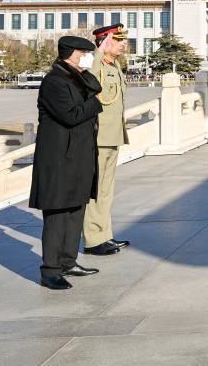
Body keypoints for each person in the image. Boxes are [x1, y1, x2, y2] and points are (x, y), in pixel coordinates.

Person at [29, 35, 104, 290]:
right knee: (58, 213)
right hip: (59, 158)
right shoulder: (54, 82)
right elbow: (71, 115)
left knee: (75, 209)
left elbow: (95, 86)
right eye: (85, 53)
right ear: (72, 53)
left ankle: (68, 261)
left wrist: (88, 85)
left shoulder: (75, 77)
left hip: (79, 155)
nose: (89, 57)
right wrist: (94, 104)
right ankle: (50, 269)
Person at [83, 24, 131, 256]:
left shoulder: (115, 66)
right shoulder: (96, 65)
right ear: (105, 42)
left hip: (113, 135)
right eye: (118, 40)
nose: (123, 44)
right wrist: (98, 54)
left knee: (106, 190)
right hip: (99, 136)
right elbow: (88, 81)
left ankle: (105, 235)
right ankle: (93, 239)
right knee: (96, 190)